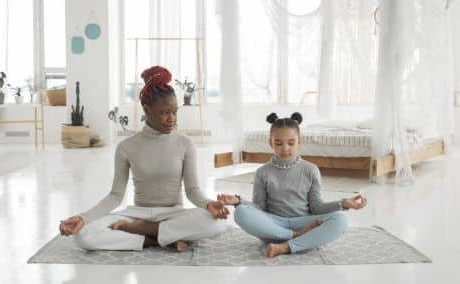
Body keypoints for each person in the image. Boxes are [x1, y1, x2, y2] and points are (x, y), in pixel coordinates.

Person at [59, 66, 229, 252]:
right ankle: (154, 240)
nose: (171, 119)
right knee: (84, 236)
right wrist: (83, 218)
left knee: (218, 223)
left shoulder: (185, 144)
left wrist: (208, 204)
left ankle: (147, 231)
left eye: (174, 112)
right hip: (137, 214)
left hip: (174, 213)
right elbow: (115, 196)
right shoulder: (126, 147)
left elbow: (193, 191)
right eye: (164, 112)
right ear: (146, 110)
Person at [218, 112, 367, 258]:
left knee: (341, 219)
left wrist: (344, 203)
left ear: (299, 141)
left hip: (304, 222)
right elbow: (260, 208)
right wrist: (238, 201)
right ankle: (297, 237)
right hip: (274, 226)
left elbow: (317, 207)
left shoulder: (311, 170)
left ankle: (285, 247)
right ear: (270, 143)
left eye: (291, 143)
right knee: (241, 212)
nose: (285, 148)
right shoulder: (262, 172)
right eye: (278, 143)